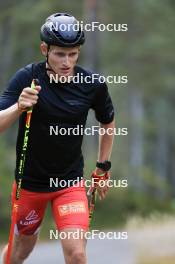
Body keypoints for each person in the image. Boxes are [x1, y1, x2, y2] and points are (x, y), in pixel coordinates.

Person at [0, 13, 115, 264]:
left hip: (69, 183)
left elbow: (107, 121)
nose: (66, 61)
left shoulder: (92, 84)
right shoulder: (27, 78)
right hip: (30, 185)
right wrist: (18, 107)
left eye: (73, 54)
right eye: (60, 54)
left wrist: (102, 167)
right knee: (19, 252)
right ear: (44, 49)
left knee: (77, 253)